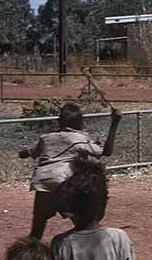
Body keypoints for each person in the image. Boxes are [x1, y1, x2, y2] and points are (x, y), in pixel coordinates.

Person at [20, 102, 122, 239]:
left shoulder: (46, 138)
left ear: (59, 121)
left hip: (43, 183)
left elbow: (31, 152)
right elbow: (106, 152)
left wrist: (24, 152)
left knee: (36, 232)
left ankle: (29, 257)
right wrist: (114, 123)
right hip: (65, 184)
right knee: (84, 224)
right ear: (80, 123)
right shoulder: (80, 139)